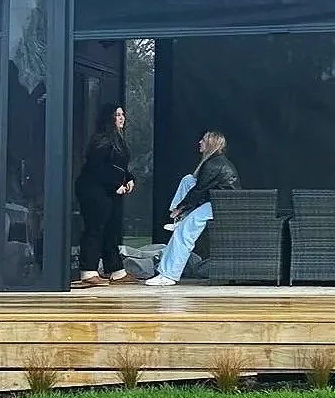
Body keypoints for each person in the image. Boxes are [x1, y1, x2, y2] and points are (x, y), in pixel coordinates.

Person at [145, 130, 240, 287]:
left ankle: (168, 275)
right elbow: (197, 187)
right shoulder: (216, 162)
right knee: (188, 179)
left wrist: (181, 208)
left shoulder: (213, 165)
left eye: (203, 140)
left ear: (211, 144)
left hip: (220, 206)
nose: (199, 142)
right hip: (216, 202)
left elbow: (198, 192)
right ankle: (179, 220)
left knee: (183, 233)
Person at [73, 102, 136, 288]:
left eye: (122, 114)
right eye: (117, 115)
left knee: (111, 229)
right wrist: (116, 184)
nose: (122, 117)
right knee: (95, 228)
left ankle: (116, 270)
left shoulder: (117, 139)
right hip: (94, 191)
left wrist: (129, 178)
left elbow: (119, 166)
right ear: (109, 118)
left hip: (109, 190)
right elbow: (98, 168)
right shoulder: (102, 139)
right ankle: (88, 272)